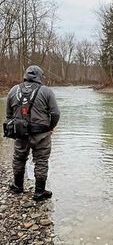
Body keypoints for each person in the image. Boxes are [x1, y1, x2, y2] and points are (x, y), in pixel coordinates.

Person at [5, 65, 60, 201]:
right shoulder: (47, 91)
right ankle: (39, 192)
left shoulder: (13, 90)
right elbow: (55, 113)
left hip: (21, 134)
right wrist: (51, 127)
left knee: (19, 158)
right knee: (41, 161)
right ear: (40, 76)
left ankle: (18, 186)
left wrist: (16, 128)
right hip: (41, 135)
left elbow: (8, 116)